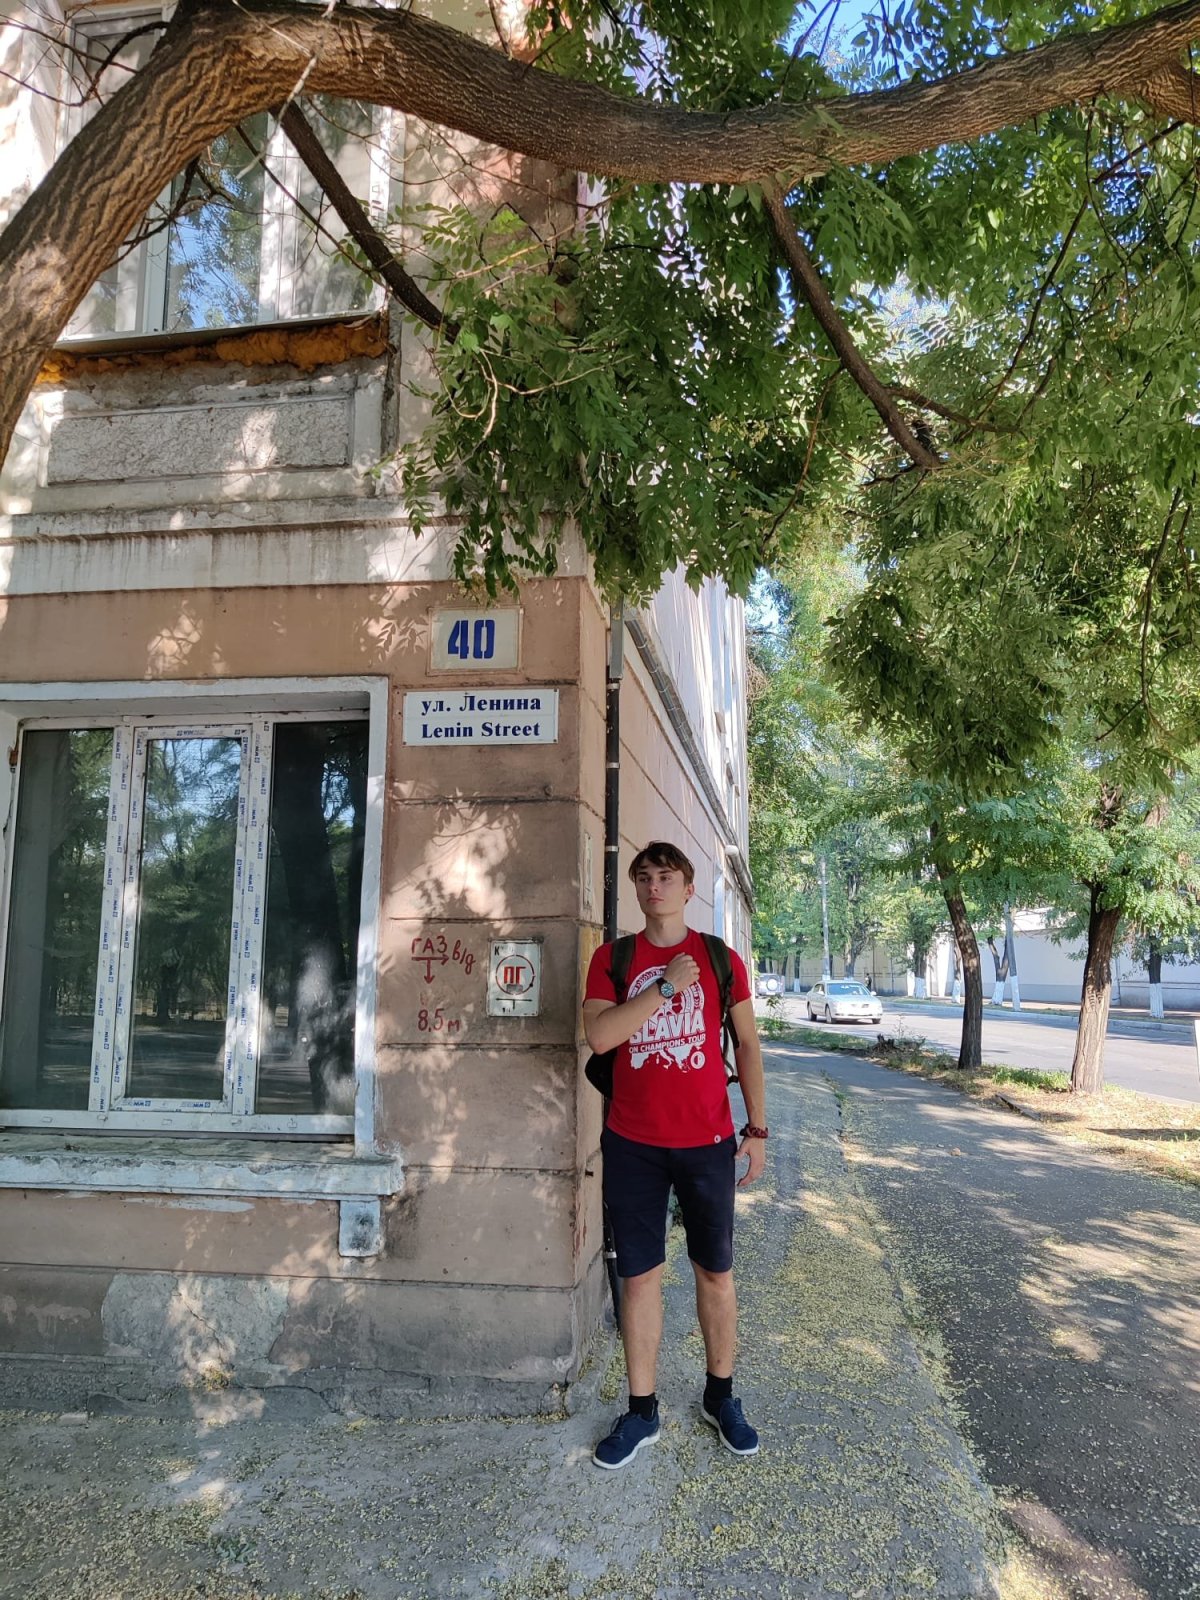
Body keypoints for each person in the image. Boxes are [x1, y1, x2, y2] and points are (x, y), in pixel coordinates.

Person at [583, 840, 767, 1469]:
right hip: (632, 1145)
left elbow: (747, 1044)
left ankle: (721, 1397)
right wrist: (664, 986)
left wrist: (757, 1129)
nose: (653, 886)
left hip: (708, 1143)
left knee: (715, 1271)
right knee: (639, 1277)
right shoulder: (613, 959)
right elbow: (600, 1035)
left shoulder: (719, 958)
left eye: (666, 877)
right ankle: (642, 1411)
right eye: (643, 877)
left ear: (689, 889)